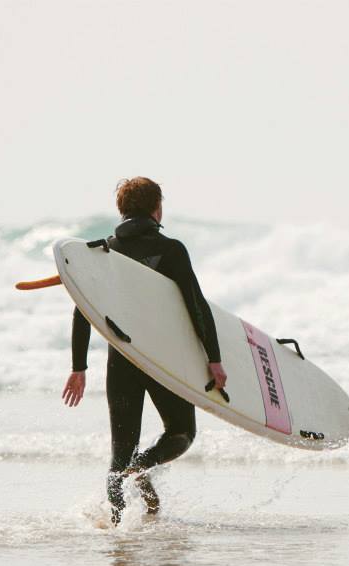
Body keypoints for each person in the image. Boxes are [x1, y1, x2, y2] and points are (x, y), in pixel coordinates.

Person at [60, 177, 227, 525]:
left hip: (120, 361)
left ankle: (119, 531)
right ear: (157, 208)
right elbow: (195, 305)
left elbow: (82, 309)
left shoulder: (102, 252)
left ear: (121, 209)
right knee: (181, 434)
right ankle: (142, 468)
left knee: (118, 456)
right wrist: (214, 358)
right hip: (161, 360)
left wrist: (79, 368)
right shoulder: (171, 250)